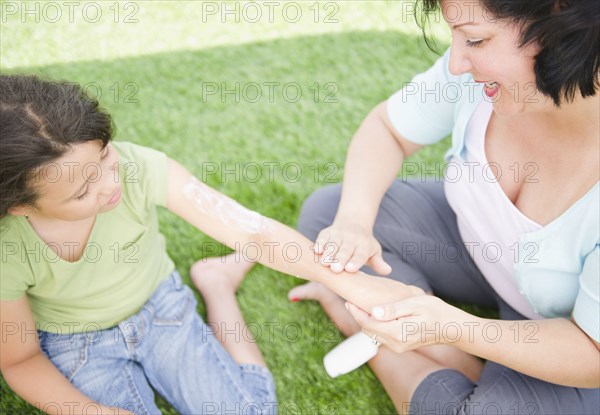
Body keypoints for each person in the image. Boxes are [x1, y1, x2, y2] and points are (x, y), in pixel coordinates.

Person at [199, 0, 600, 413]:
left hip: (564, 332)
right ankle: (425, 345)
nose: (459, 62)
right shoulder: (481, 75)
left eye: (476, 40)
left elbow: (592, 353)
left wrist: (451, 327)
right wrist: (354, 221)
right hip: (473, 248)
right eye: (458, 37)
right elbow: (387, 130)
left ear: (563, 22)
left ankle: (381, 344)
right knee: (328, 214)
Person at [0, 75, 423, 415]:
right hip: (76, 341)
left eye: (106, 156)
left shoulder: (140, 168)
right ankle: (217, 278)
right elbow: (19, 360)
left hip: (160, 307)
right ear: (20, 206)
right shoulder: (8, 250)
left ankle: (216, 284)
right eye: (81, 191)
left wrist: (358, 287)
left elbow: (252, 232)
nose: (112, 183)